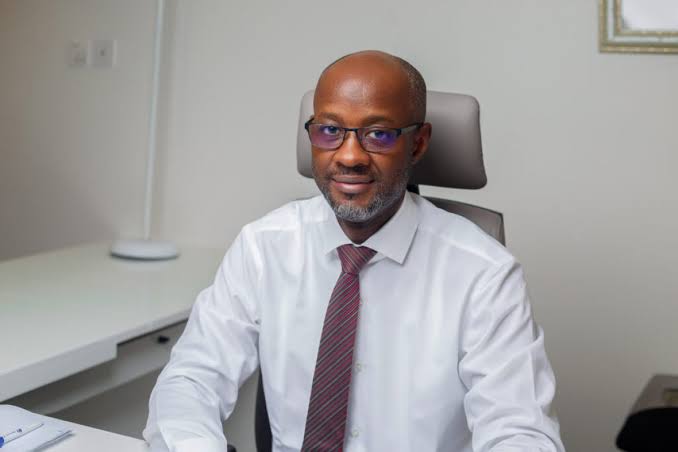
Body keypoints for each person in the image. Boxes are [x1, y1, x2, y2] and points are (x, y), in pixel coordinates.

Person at [144, 50, 565, 452]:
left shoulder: (483, 273)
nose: (349, 156)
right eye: (330, 131)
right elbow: (192, 379)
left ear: (418, 143)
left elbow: (519, 431)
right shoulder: (264, 246)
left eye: (378, 134)